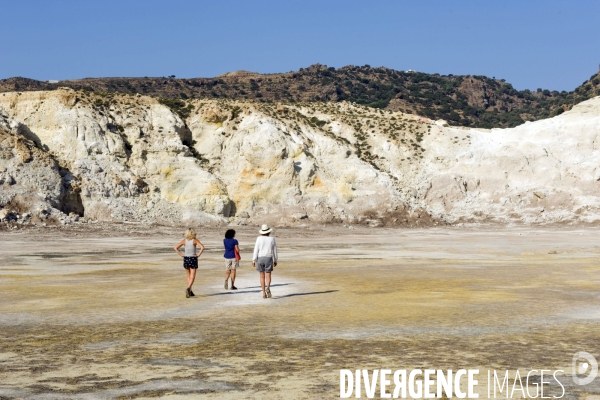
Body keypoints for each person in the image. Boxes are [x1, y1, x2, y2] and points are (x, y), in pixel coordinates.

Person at [173, 228, 205, 298]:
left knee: (188, 276)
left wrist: (181, 254)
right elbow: (202, 247)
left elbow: (175, 247)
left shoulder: (184, 241)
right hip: (193, 258)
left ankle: (190, 291)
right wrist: (198, 254)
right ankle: (188, 288)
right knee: (192, 276)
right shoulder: (195, 240)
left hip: (186, 258)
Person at [252, 224, 278, 298]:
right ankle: (268, 288)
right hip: (269, 257)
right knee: (268, 275)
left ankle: (263, 293)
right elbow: (274, 250)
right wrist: (275, 259)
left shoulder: (259, 239)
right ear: (269, 232)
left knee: (262, 276)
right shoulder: (272, 239)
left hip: (260, 258)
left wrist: (254, 260)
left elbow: (256, 249)